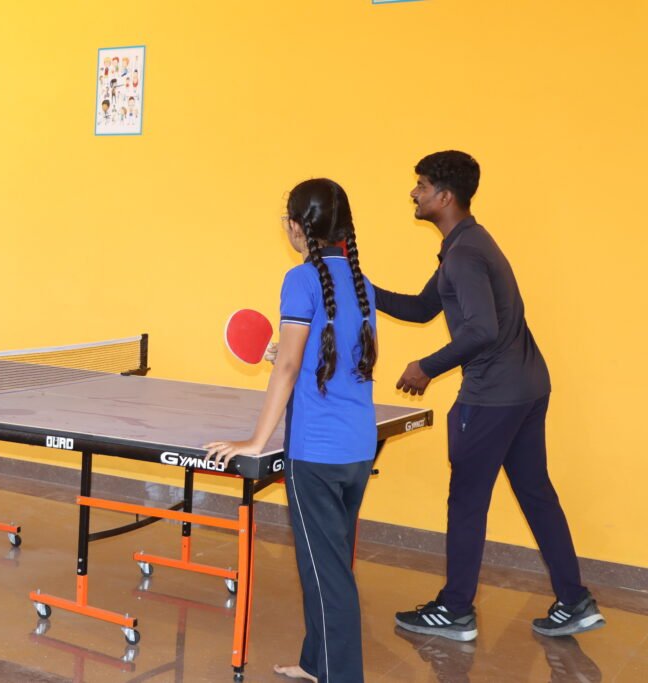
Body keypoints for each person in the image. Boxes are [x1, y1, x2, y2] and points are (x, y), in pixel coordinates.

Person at [379, 151, 604, 641]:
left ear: (445, 196)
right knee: (536, 492)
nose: (414, 193)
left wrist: (426, 367)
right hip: (527, 387)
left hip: (492, 396)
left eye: (421, 185)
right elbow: (421, 308)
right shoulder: (468, 244)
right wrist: (361, 288)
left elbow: (482, 330)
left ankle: (455, 609)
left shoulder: (464, 255)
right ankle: (574, 599)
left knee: (466, 501)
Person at [206, 178, 378, 683]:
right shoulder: (362, 283)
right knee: (327, 566)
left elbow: (287, 369)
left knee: (327, 579)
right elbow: (343, 360)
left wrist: (256, 442)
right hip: (357, 448)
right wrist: (287, 355)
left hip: (316, 455)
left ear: (298, 227)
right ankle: (314, 663)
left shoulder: (300, 280)